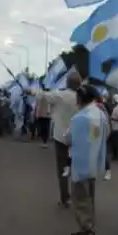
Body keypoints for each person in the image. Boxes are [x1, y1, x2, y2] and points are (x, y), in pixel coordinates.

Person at [63, 84, 108, 235]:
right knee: (89, 197)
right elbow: (103, 134)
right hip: (94, 163)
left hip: (81, 164)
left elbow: (68, 138)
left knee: (81, 199)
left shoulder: (79, 118)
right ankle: (89, 227)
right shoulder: (100, 115)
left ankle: (87, 231)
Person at [33, 72, 82, 208]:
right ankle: (78, 197)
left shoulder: (60, 95)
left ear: (67, 83)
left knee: (62, 168)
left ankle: (65, 198)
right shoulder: (83, 98)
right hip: (78, 138)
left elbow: (43, 95)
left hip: (61, 137)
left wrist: (30, 91)